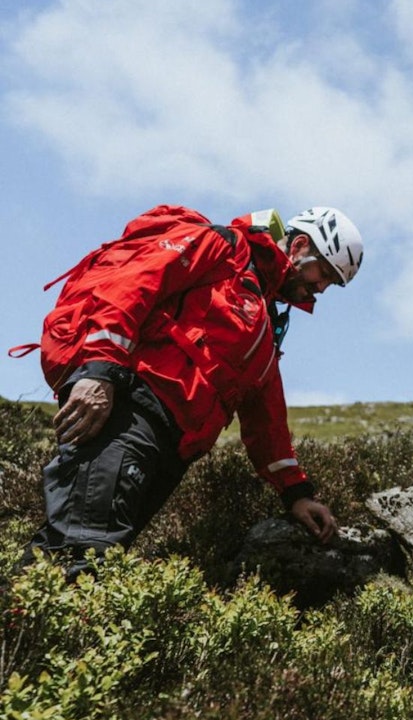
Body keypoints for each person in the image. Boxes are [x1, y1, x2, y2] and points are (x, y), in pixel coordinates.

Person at [21, 205, 364, 579]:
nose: (320, 289)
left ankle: (26, 630)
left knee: (78, 561)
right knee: (83, 554)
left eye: (331, 283)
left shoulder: (264, 324)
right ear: (299, 246)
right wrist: (99, 370)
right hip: (128, 411)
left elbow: (266, 418)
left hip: (171, 453)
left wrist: (297, 494)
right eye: (324, 274)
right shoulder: (222, 247)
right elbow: (134, 284)